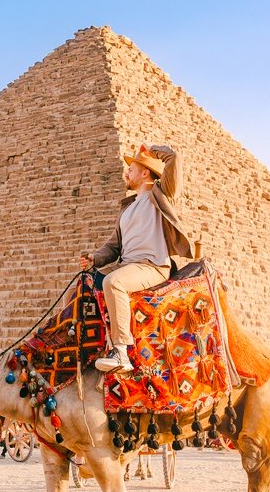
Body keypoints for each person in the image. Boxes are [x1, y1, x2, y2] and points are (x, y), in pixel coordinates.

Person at [81, 144, 194, 374]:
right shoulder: (127, 208)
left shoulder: (161, 196)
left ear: (145, 173)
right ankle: (83, 347)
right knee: (84, 285)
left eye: (131, 168)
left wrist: (153, 151)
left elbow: (174, 159)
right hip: (128, 266)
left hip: (152, 265)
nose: (126, 173)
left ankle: (121, 351)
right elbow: (113, 246)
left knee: (114, 282)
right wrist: (94, 258)